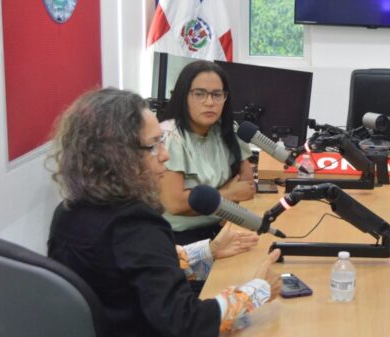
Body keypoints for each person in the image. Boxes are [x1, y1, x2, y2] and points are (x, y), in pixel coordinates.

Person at [47, 88, 282, 337]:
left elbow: (128, 272)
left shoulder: (67, 212)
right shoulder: (136, 225)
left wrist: (208, 251)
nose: (165, 155)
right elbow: (187, 323)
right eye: (152, 145)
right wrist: (258, 290)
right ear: (117, 156)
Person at [158, 60, 257, 245]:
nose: (210, 102)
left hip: (221, 228)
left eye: (217, 94)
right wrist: (228, 194)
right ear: (183, 95)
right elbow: (175, 204)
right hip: (179, 241)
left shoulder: (227, 131)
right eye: (199, 94)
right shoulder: (170, 137)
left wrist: (211, 199)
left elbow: (246, 187)